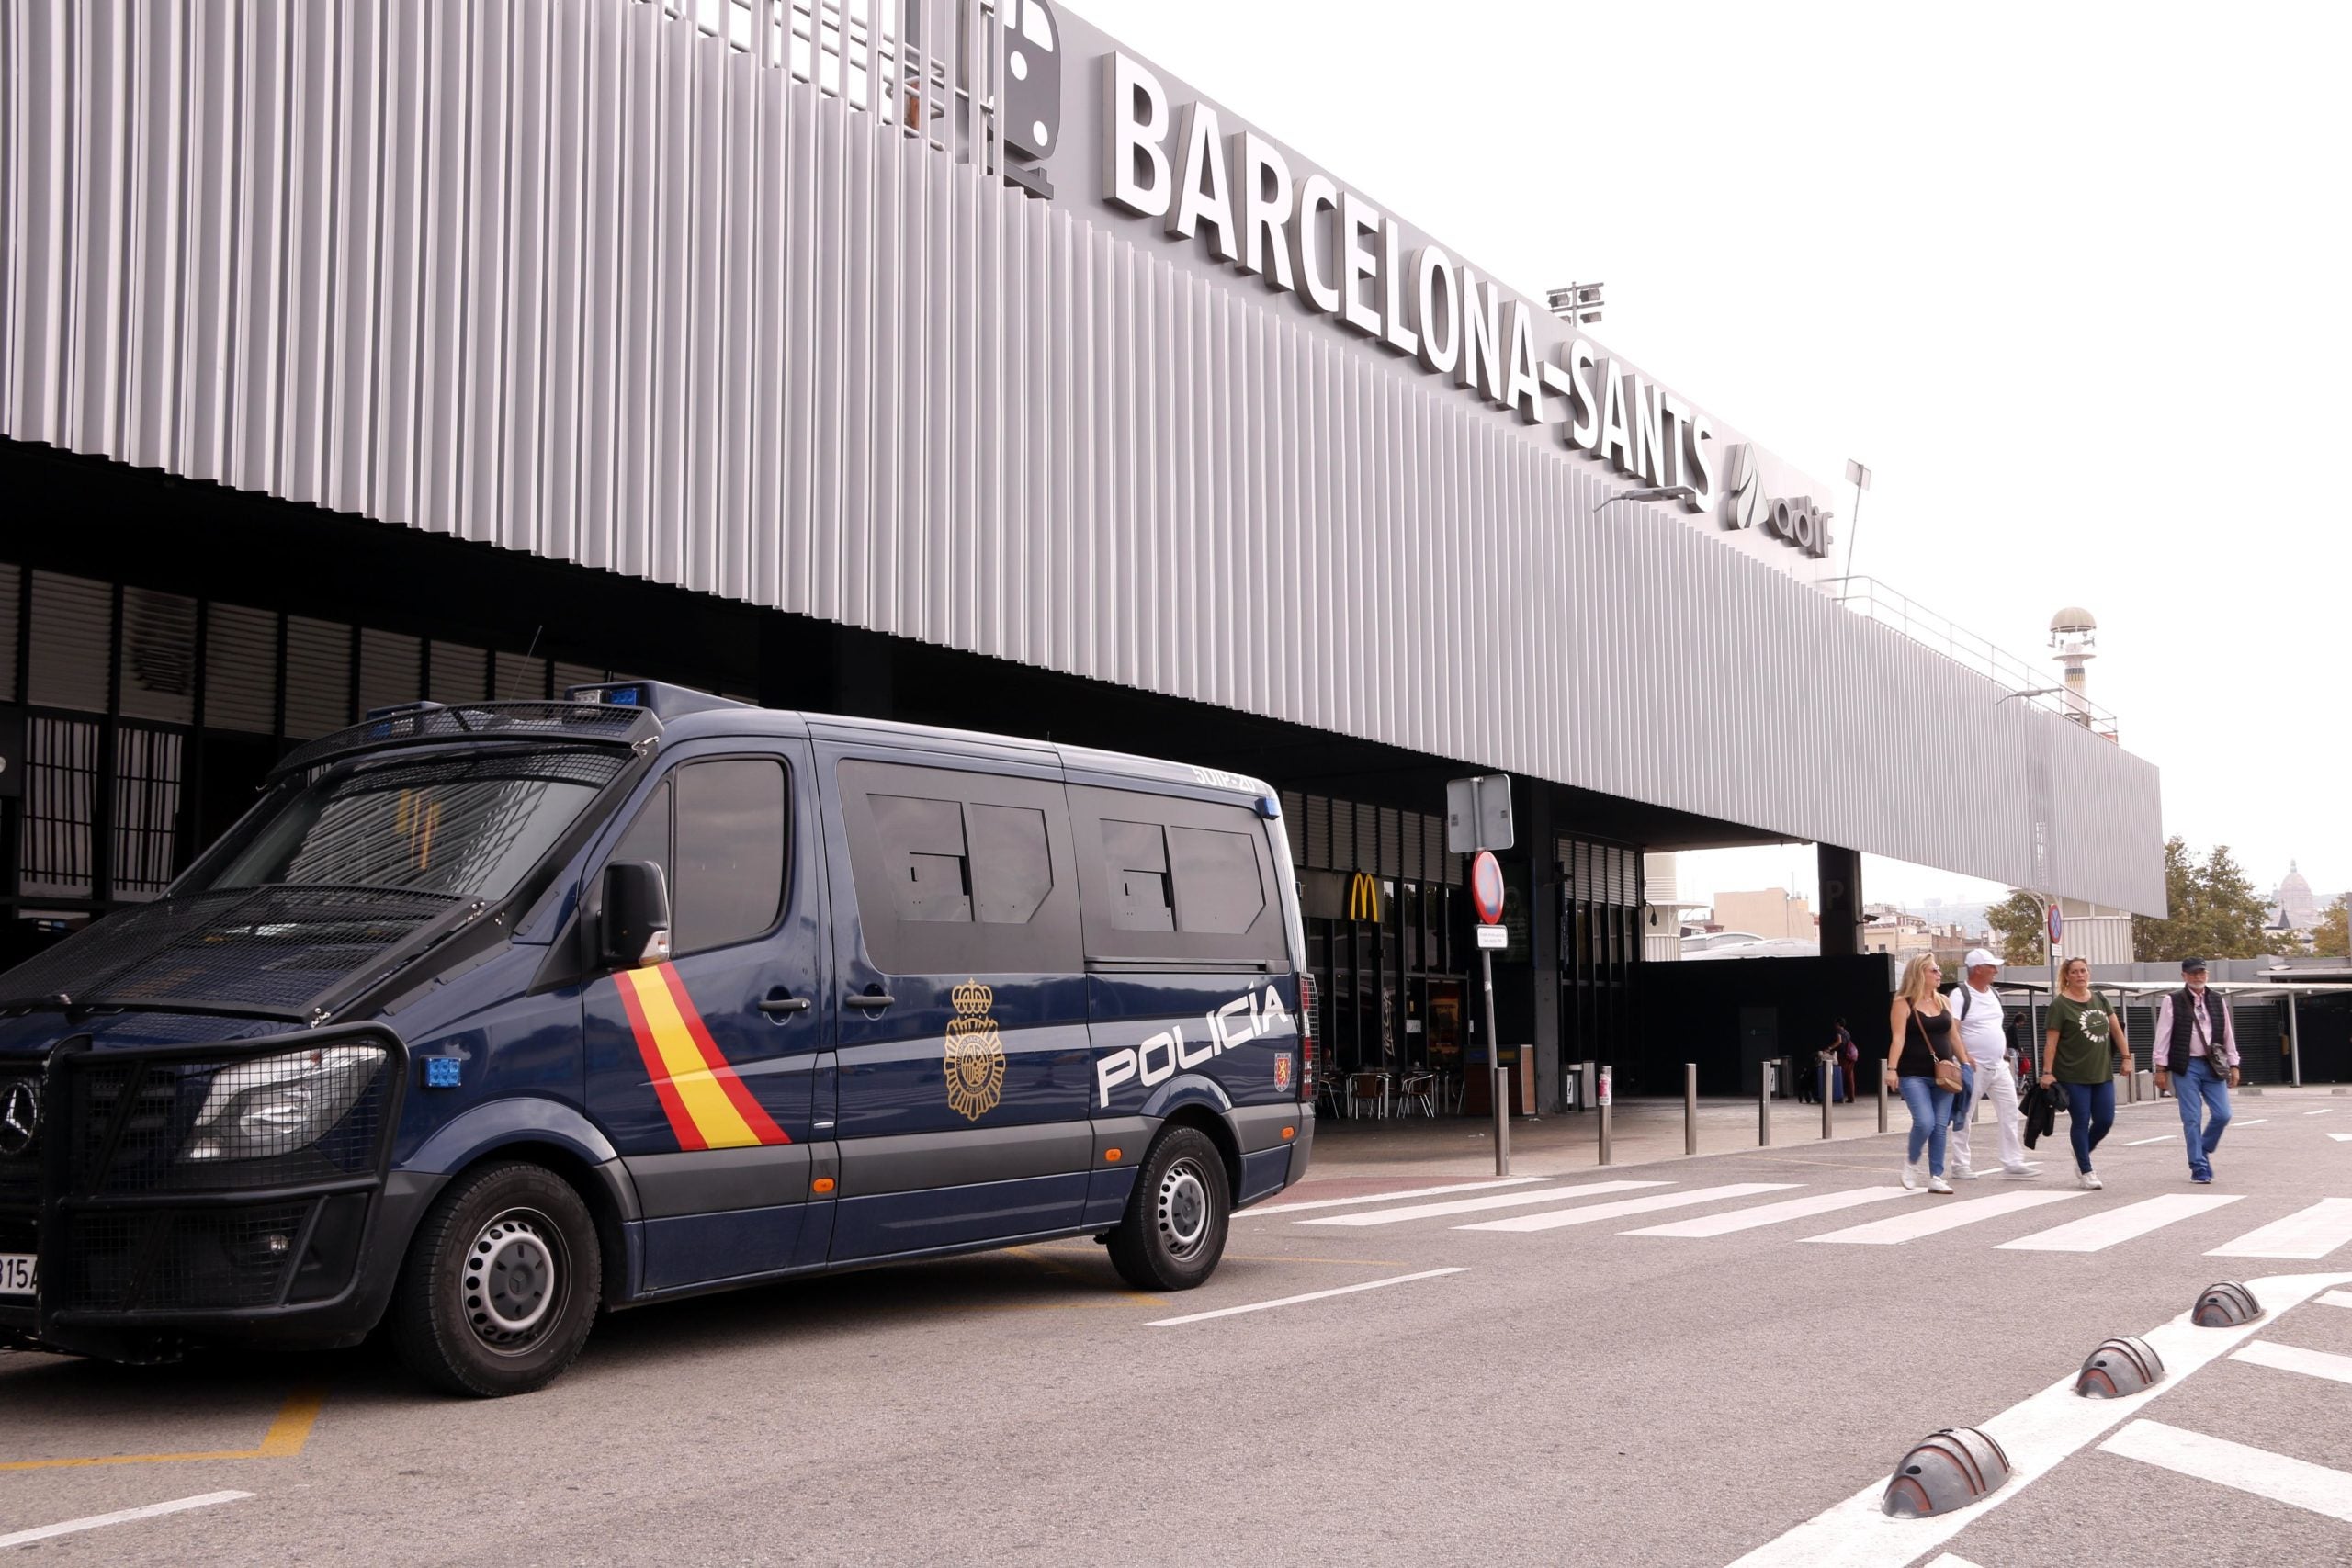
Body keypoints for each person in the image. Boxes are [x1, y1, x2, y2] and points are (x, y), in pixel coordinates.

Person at [1946, 948, 2038, 1179]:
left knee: (2010, 1112)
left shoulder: (1994, 994)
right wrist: (1965, 1056)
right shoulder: (1960, 995)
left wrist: (2004, 1053)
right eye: (1991, 966)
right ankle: (1960, 1164)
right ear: (1978, 969)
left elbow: (1994, 1027)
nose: (1996, 970)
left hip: (1998, 1065)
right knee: (1964, 1114)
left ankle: (2013, 1160)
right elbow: (1952, 1029)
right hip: (1972, 1067)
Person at [2040, 955, 2130, 1190]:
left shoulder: (2099, 998)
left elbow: (2116, 1030)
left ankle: (2082, 1150)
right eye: (2075, 972)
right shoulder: (2059, 1005)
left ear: (2089, 973)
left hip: (2101, 1072)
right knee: (2080, 1120)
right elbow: (2051, 1043)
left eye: (2083, 971)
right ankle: (2086, 1170)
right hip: (2072, 1075)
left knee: (2105, 1120)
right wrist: (2047, 1072)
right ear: (2067, 977)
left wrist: (2127, 1057)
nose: (2080, 975)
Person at [2154, 957, 2238, 1184]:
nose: (2198, 977)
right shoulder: (2172, 1001)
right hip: (2186, 1065)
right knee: (2192, 1118)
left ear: (2207, 974)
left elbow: (2227, 1033)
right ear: (2184, 976)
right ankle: (2198, 1166)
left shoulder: (2217, 1000)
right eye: (2193, 973)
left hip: (2213, 1065)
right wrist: (2160, 1067)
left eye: (2201, 972)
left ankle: (2203, 1148)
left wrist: (2234, 1063)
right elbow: (2163, 1035)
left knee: (2223, 1114)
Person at [1885, 954, 1962, 1194]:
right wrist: (1891, 1069)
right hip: (1913, 1074)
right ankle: (1911, 1161)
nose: (1939, 974)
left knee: (1940, 1126)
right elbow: (1898, 1038)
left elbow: (1954, 1036)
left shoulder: (1944, 1002)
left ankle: (1936, 1176)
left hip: (1945, 1073)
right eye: (1934, 970)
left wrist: (1967, 1061)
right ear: (1920, 973)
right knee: (1925, 1121)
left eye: (1938, 970)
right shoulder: (1903, 1002)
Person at [1836, 1021, 1859, 1102]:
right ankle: (1851, 1098)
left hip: (1844, 1057)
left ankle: (1839, 1097)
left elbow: (1839, 1041)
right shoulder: (1847, 1032)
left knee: (1840, 1077)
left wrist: (1830, 1048)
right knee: (1850, 1078)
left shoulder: (1839, 1031)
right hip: (1851, 1057)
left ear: (1838, 1024)